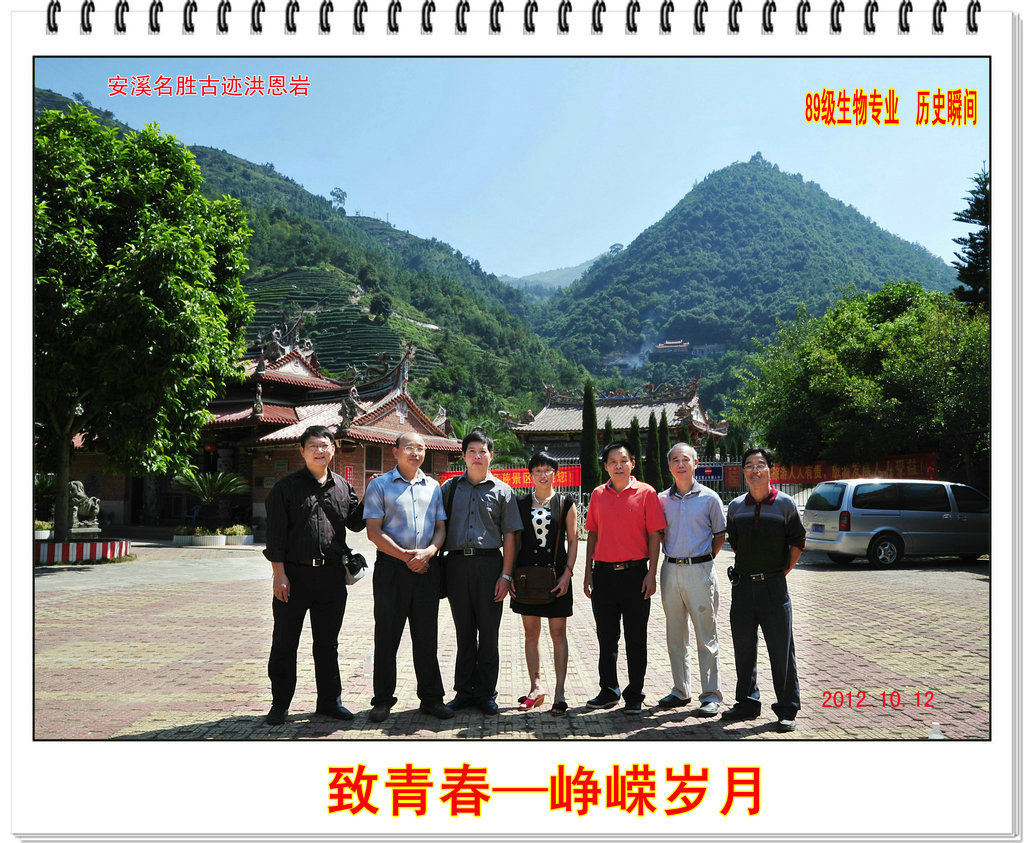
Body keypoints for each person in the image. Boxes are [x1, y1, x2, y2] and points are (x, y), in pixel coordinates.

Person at [263, 425, 365, 725]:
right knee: (285, 643)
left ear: (333, 449)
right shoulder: (285, 487)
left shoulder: (343, 487)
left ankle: (330, 702)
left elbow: (356, 523)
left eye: (324, 445)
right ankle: (280, 704)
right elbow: (275, 536)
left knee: (327, 643)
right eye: (313, 446)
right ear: (302, 451)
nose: (319, 451)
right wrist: (279, 575)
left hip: (331, 578)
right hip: (293, 577)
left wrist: (375, 495)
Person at [363, 432, 454, 723]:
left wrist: (428, 552)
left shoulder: (433, 487)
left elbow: (440, 528)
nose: (415, 453)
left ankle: (431, 698)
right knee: (387, 636)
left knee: (426, 636)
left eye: (421, 448)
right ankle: (382, 700)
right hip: (391, 570)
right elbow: (373, 531)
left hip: (426, 569)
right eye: (409, 448)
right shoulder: (379, 485)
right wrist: (406, 557)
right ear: (395, 452)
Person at [723, 446, 806, 732]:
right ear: (743, 471)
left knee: (781, 650)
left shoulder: (785, 504)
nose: (754, 470)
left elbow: (798, 542)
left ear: (771, 469)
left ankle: (787, 708)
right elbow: (736, 544)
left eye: (760, 465)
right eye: (749, 465)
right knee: (743, 648)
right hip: (743, 587)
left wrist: (780, 572)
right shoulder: (736, 507)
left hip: (774, 588)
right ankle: (747, 702)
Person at [442, 429, 524, 714]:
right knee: (464, 632)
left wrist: (506, 575)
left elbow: (510, 536)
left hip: (490, 565)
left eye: (482, 451)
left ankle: (487, 692)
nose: (477, 456)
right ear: (463, 455)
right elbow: (436, 525)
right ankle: (464, 691)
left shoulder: (503, 491)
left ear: (491, 455)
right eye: (472, 451)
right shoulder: (450, 489)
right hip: (456, 565)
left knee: (489, 634)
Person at [582, 440, 667, 714]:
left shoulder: (646, 493)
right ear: (606, 466)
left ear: (632, 463)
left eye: (623, 461)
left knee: (635, 637)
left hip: (635, 575)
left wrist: (651, 573)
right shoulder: (598, 494)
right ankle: (608, 690)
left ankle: (634, 694)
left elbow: (654, 535)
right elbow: (592, 534)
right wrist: (587, 571)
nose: (618, 466)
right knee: (606, 638)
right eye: (613, 462)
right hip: (603, 576)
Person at [657, 442, 726, 717]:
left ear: (696, 463)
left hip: (700, 570)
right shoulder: (662, 500)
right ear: (669, 466)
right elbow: (658, 533)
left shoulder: (710, 498)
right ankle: (680, 689)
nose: (680, 464)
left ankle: (710, 694)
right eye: (675, 460)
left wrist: (704, 559)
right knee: (675, 634)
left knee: (706, 635)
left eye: (685, 459)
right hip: (670, 569)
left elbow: (719, 534)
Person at [510, 452, 579, 716]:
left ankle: (560, 692)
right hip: (527, 577)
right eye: (538, 470)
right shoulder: (520, 503)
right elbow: (515, 541)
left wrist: (567, 574)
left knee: (558, 634)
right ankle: (535, 687)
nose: (543, 474)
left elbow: (573, 540)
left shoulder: (566, 502)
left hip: (557, 576)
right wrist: (510, 574)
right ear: (530, 475)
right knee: (531, 633)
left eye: (547, 470)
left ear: (555, 474)